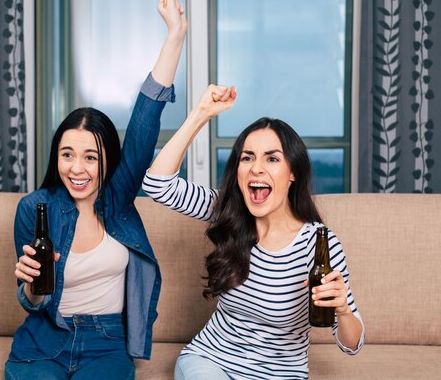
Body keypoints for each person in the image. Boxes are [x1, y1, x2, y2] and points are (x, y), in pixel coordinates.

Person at [4, 0, 187, 380]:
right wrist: (32, 285)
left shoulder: (117, 200)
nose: (78, 168)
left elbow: (143, 123)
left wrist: (175, 36)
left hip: (107, 341)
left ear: (107, 163)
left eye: (91, 156)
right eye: (67, 154)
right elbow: (32, 302)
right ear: (56, 157)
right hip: (43, 341)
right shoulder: (35, 208)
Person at [142, 85, 365, 380]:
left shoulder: (320, 244)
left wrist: (343, 309)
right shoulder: (227, 212)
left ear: (293, 173)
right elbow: (157, 185)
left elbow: (352, 344)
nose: (256, 168)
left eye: (272, 159)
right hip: (210, 362)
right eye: (247, 158)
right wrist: (200, 114)